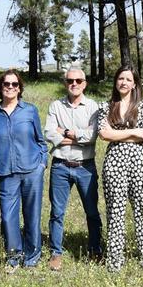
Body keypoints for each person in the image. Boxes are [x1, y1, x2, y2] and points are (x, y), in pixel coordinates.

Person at [0, 70, 49, 273]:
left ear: (19, 88)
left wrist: (42, 165)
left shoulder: (30, 111)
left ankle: (31, 258)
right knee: (7, 217)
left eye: (14, 84)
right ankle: (13, 257)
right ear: (0, 87)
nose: (10, 87)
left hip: (32, 171)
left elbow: (41, 141)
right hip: (6, 173)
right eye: (6, 84)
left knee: (32, 215)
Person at [43, 67, 103, 271]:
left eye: (78, 80)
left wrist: (66, 133)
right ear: (65, 83)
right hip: (60, 166)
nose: (74, 84)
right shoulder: (55, 106)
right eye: (70, 80)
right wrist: (78, 137)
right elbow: (49, 133)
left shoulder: (93, 106)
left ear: (85, 83)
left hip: (85, 167)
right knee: (57, 212)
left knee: (92, 212)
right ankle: (56, 253)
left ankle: (95, 250)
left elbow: (93, 136)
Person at [98, 65, 143, 272]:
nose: (123, 82)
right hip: (114, 162)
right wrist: (133, 131)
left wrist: (117, 132)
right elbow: (104, 135)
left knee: (142, 208)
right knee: (115, 210)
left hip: (139, 161)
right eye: (120, 78)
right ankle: (115, 260)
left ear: (134, 84)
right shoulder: (106, 106)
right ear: (116, 82)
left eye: (128, 79)